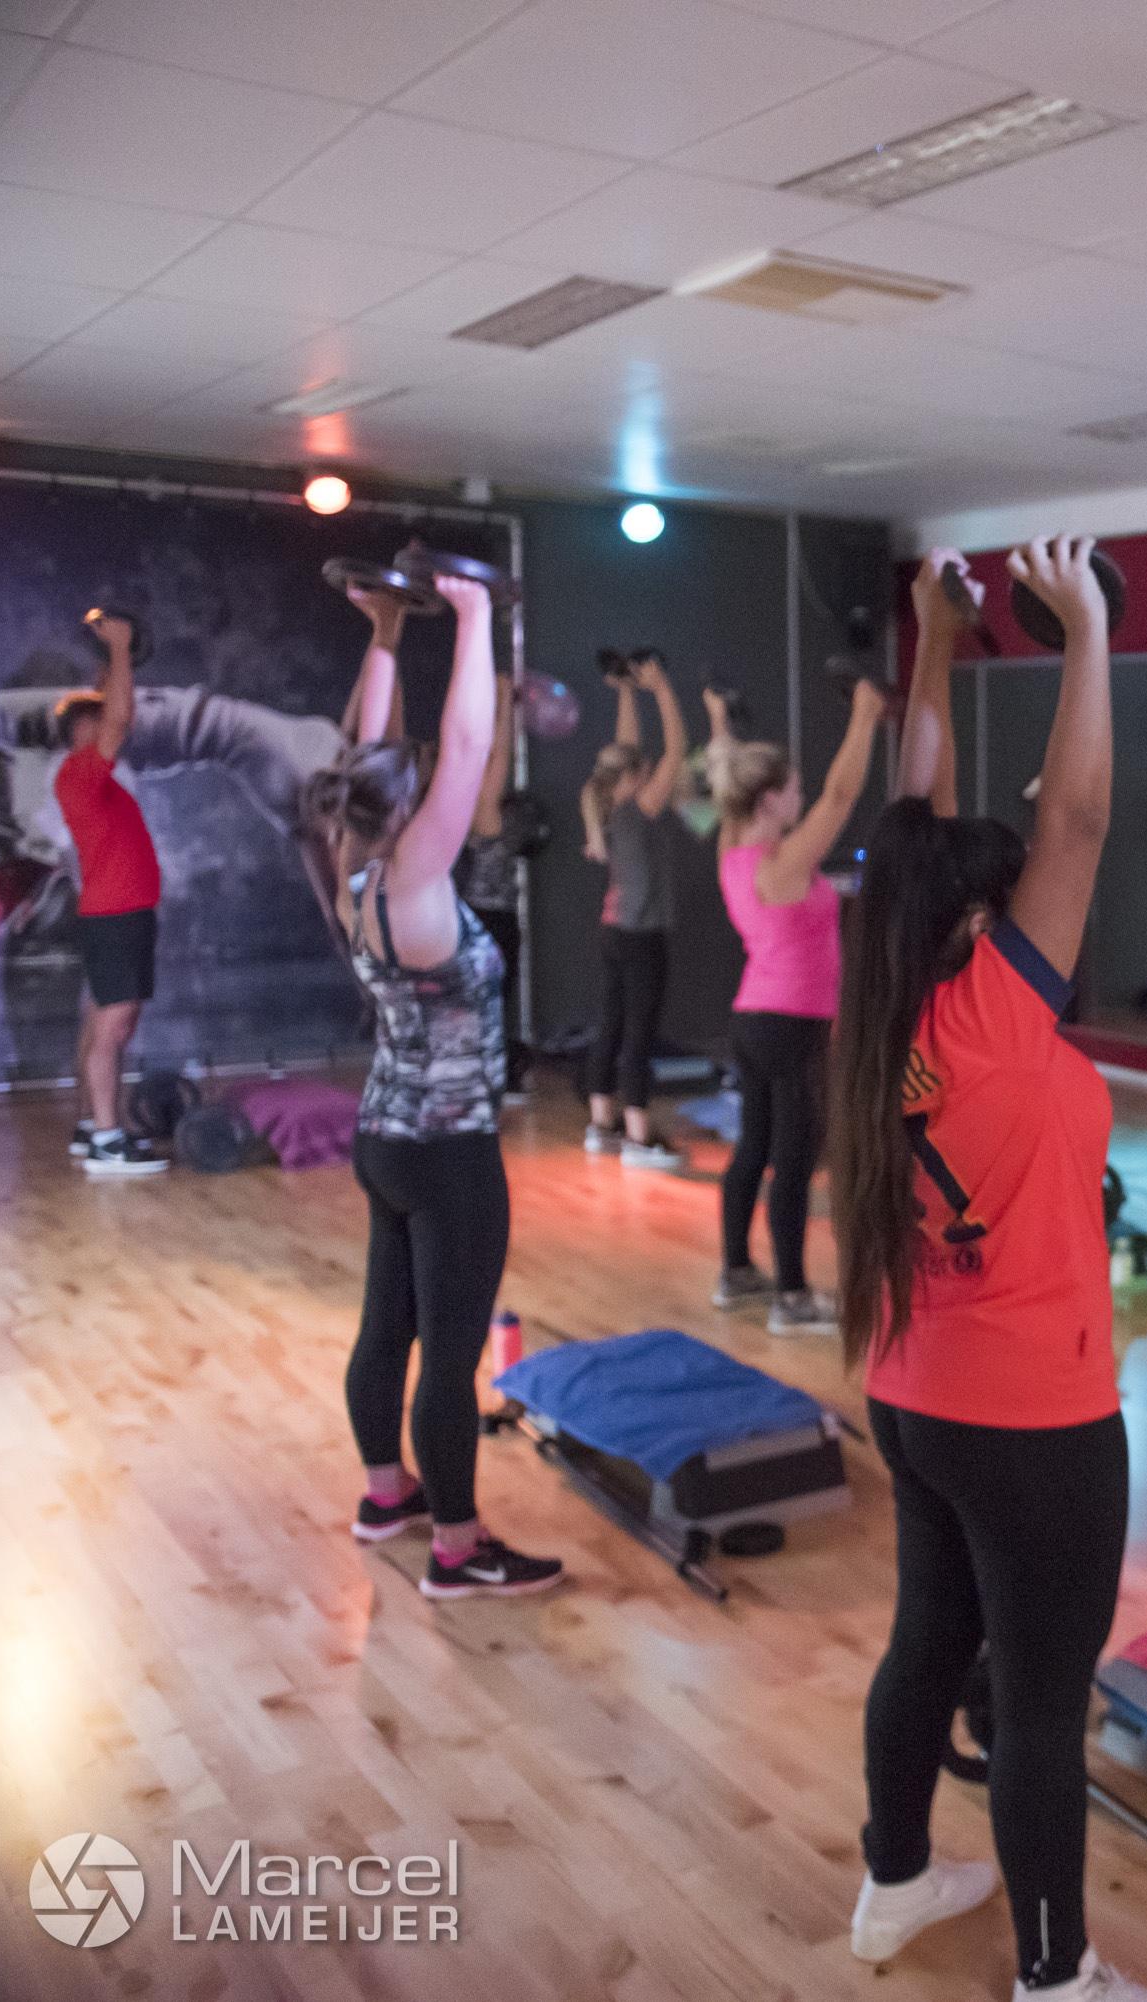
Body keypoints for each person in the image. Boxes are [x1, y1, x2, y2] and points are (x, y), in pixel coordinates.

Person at [827, 542, 1147, 2002]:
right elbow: (1077, 822)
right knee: (1040, 1706)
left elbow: (914, 814)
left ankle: (895, 1879)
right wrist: (1084, 629)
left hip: (915, 1394)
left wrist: (938, 634)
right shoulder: (987, 1014)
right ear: (984, 926)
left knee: (929, 1642)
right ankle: (1057, 1976)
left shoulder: (882, 994)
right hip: (1035, 1422)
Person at [302, 563, 563, 1602]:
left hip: (386, 1139)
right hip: (451, 1156)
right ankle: (457, 1547)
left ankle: (387, 1495)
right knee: (448, 1359)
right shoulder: (413, 878)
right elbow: (463, 745)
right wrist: (473, 613)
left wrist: (384, 633)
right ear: (406, 807)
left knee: (387, 1328)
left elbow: (366, 755)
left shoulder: (354, 868)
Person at [706, 678, 886, 1335]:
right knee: (793, 1159)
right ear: (769, 798)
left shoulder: (733, 851)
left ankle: (735, 1273)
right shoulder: (780, 863)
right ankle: (791, 1298)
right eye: (793, 789)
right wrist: (865, 716)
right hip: (793, 1024)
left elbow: (725, 779)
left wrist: (719, 720)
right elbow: (841, 797)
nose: (802, 798)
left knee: (754, 1148)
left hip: (754, 1017)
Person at [56, 611, 167, 1176]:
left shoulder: (85, 776)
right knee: (113, 1029)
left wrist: (108, 665)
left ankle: (88, 1127)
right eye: (95, 721)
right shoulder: (80, 773)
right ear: (82, 733)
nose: (108, 725)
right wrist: (122, 647)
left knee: (100, 1022)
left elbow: (109, 708)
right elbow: (118, 717)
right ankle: (106, 1140)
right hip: (117, 916)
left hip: (117, 915)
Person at [580, 649, 686, 1168]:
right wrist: (661, 690)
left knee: (612, 1025)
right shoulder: (639, 809)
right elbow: (677, 751)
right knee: (639, 1032)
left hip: (613, 932)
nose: (650, 770)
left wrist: (626, 690)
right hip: (641, 938)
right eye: (643, 769)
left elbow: (630, 751)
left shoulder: (606, 804)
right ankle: (640, 1138)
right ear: (635, 778)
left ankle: (602, 1126)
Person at [454, 629, 528, 1104]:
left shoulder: (472, 805)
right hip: (489, 919)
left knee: (487, 1003)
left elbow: (497, 756)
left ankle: (492, 1081)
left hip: (486, 918)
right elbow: (500, 754)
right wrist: (504, 703)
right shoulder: (481, 809)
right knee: (489, 1004)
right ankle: (491, 1084)